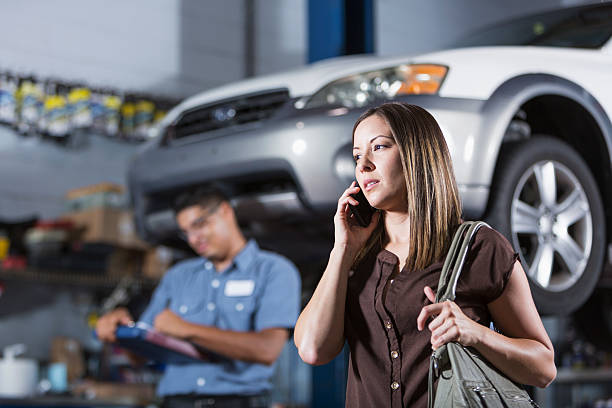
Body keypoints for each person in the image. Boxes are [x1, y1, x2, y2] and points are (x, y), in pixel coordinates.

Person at [294, 102, 556, 407]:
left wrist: (475, 334)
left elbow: (543, 368)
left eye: (378, 147)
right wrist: (342, 250)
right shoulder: (355, 256)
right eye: (356, 155)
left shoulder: (479, 248)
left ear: (417, 154)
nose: (363, 164)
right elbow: (313, 350)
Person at [96, 186, 301, 408]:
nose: (194, 239)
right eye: (186, 232)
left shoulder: (274, 270)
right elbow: (140, 357)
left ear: (225, 211)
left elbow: (267, 350)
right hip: (175, 402)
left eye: (199, 225)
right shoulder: (178, 276)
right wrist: (121, 333)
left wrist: (186, 329)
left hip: (237, 402)